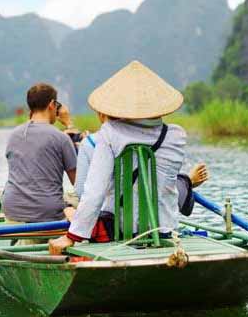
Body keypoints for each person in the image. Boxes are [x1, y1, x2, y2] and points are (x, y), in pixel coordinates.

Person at [49, 61, 190, 255]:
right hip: (167, 231)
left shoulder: (110, 133)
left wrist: (72, 236)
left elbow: (94, 191)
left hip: (122, 233)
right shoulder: (177, 135)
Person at [75, 110, 210, 213]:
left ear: (100, 115)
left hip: (111, 223)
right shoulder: (170, 136)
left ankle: (187, 181)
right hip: (159, 223)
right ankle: (188, 182)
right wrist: (187, 181)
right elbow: (162, 188)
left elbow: (82, 192)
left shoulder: (90, 143)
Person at [1, 83, 77, 225]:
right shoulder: (61, 138)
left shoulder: (14, 135)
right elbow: (78, 184)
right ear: (52, 105)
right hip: (48, 214)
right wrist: (69, 124)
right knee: (78, 201)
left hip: (12, 210)